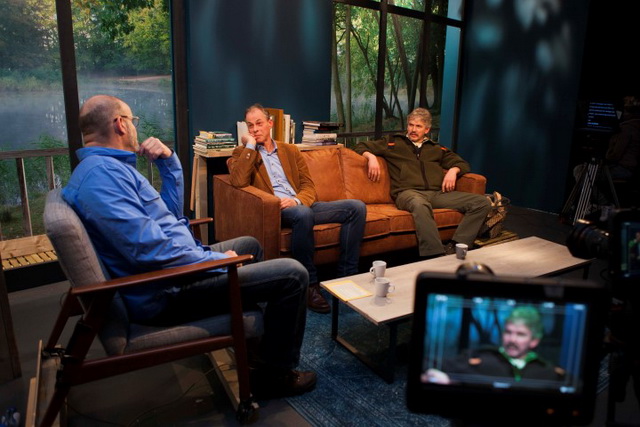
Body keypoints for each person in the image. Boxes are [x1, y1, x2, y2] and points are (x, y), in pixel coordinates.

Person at [61, 95, 316, 399]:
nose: (135, 128)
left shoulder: (109, 169)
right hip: (167, 289)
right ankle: (275, 375)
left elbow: (169, 217)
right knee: (293, 275)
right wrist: (218, 260)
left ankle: (256, 352)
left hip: (178, 270)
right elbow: (150, 251)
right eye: (133, 121)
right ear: (120, 124)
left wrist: (169, 162)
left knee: (250, 245)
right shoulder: (101, 179)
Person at [228, 104, 367, 314]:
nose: (255, 129)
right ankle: (310, 285)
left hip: (299, 204)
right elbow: (238, 181)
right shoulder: (243, 153)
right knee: (303, 214)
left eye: (259, 123)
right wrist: (249, 146)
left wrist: (297, 200)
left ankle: (346, 278)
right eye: (250, 126)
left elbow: (308, 185)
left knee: (356, 208)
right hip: (277, 209)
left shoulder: (290, 150)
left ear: (270, 124)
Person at [354, 107, 491, 258]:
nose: (413, 129)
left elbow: (462, 163)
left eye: (418, 126)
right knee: (420, 204)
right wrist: (371, 157)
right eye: (411, 125)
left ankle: (456, 246)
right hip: (407, 193)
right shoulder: (393, 143)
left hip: (437, 194)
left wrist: (454, 170)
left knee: (481, 202)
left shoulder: (437, 148)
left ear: (427, 129)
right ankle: (435, 255)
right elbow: (360, 146)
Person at [424, 306, 566, 384]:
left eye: (520, 334)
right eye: (508, 332)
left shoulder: (548, 372)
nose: (512, 339)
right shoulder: (479, 358)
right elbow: (431, 365)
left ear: (534, 341)